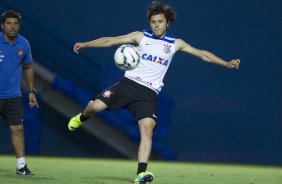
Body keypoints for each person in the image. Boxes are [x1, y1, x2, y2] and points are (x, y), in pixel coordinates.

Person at [68, 1, 240, 183]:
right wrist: (86, 44)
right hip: (127, 84)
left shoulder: (175, 44)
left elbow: (202, 54)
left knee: (147, 129)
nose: (156, 25)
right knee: (94, 107)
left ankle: (141, 174)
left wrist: (225, 63)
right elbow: (110, 40)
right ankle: (82, 117)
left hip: (148, 94)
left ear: (168, 23)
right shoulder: (140, 37)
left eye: (160, 21)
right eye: (153, 22)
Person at [0, 10, 38, 175]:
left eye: (15, 23)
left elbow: (28, 68)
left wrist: (31, 91)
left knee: (18, 129)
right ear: (2, 26)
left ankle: (21, 166)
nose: (12, 26)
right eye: (9, 23)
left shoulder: (24, 44)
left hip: (13, 96)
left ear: (19, 25)